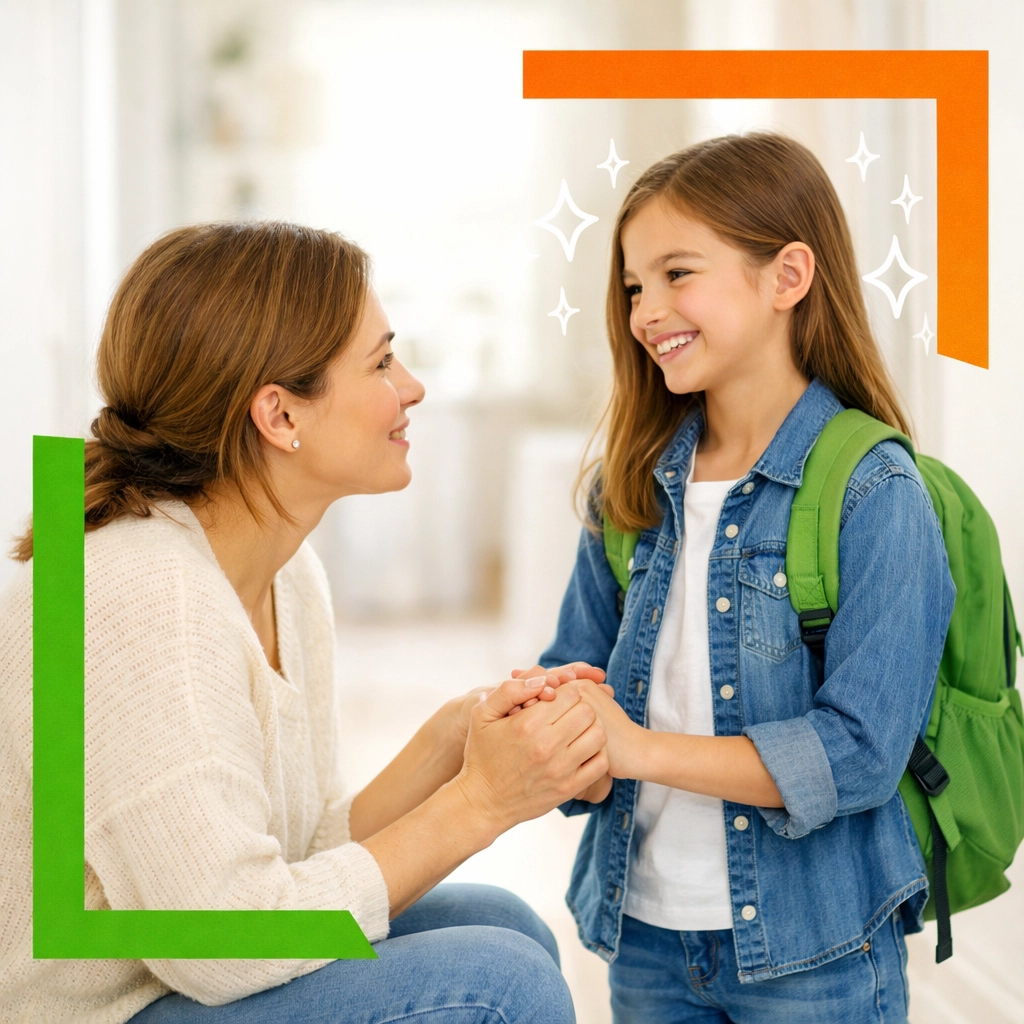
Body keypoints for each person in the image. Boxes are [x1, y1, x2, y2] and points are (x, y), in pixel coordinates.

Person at [0, 222, 612, 1024]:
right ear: (280, 414)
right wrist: (482, 804)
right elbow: (221, 945)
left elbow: (294, 857)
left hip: (170, 981)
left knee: (504, 923)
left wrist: (451, 742)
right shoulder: (142, 599)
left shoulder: (285, 574)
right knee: (501, 982)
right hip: (95, 1010)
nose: (413, 388)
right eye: (382, 363)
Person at [533, 132, 955, 1023]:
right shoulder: (630, 484)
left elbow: (861, 752)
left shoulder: (875, 490)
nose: (647, 312)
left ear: (787, 276)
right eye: (634, 286)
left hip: (816, 950)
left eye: (677, 274)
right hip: (644, 933)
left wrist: (637, 748)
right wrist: (555, 729)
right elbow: (577, 671)